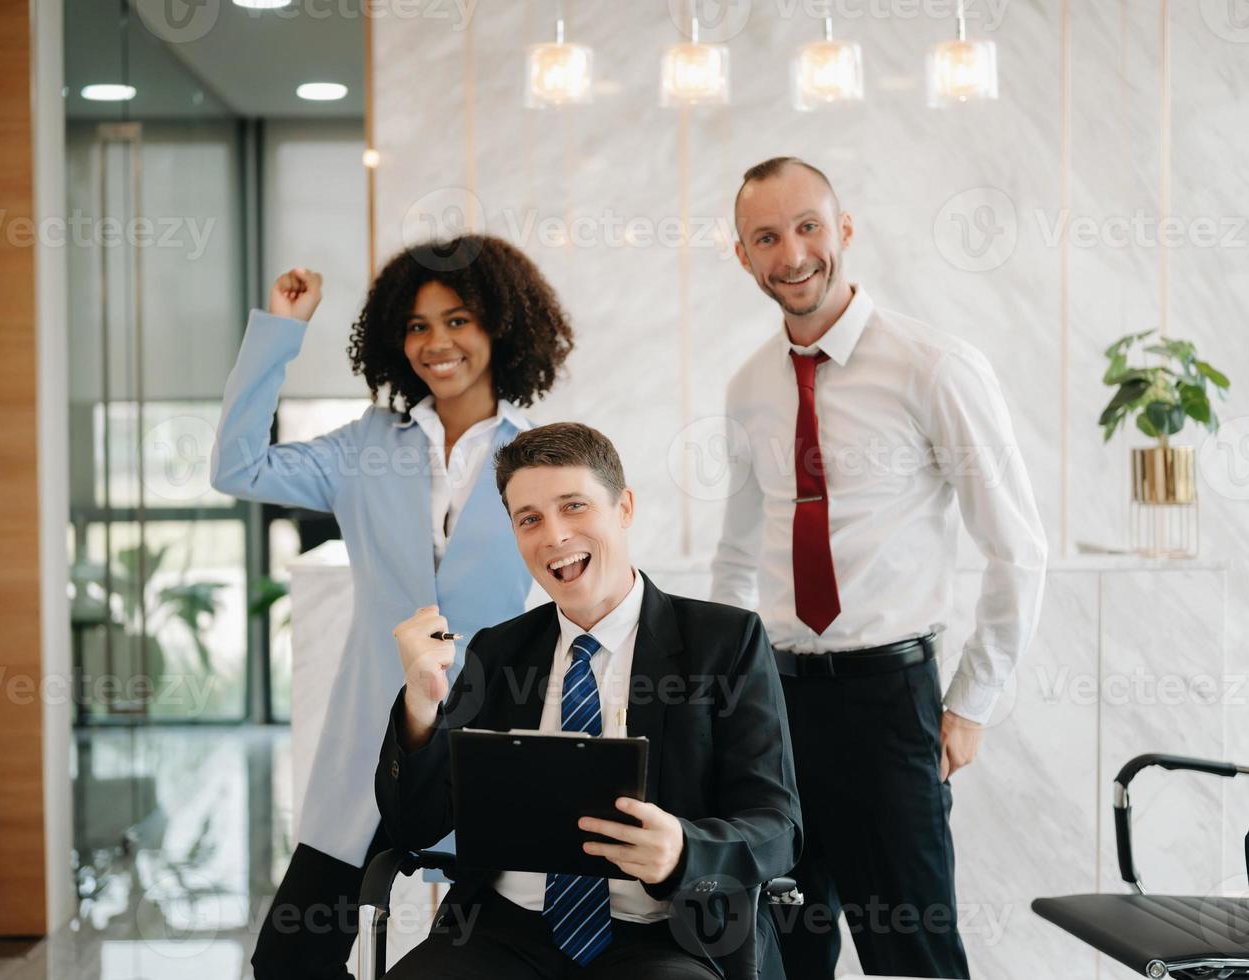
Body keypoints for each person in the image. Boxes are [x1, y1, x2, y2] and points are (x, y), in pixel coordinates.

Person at [711, 156, 1049, 979]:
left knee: (913, 955)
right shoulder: (750, 387)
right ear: (742, 255)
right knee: (782, 949)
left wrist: (969, 706)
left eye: (807, 228)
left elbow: (1017, 547)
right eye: (766, 237)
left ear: (844, 230)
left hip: (887, 706)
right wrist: (725, 698)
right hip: (776, 708)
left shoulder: (933, 366)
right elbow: (733, 555)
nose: (791, 254)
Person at [209, 234, 575, 979]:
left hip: (494, 747)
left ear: (501, 325)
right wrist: (282, 330)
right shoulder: (365, 446)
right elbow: (237, 466)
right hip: (370, 750)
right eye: (415, 325)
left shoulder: (539, 454)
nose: (435, 343)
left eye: (457, 319)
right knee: (289, 961)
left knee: (471, 966)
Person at [376, 422, 802, 979]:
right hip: (504, 931)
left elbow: (777, 826)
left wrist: (683, 849)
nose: (553, 535)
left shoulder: (725, 642)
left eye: (574, 506)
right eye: (528, 519)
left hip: (665, 935)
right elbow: (416, 826)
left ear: (624, 508)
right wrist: (420, 705)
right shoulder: (498, 651)